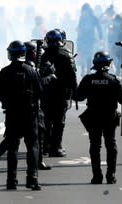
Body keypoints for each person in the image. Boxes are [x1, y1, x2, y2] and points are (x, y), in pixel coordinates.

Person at [0, 41, 52, 170]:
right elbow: (39, 90)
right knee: (33, 138)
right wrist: (49, 76)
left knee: (14, 138)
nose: (36, 54)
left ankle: (7, 169)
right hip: (29, 109)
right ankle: (36, 167)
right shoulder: (29, 68)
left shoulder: (19, 68)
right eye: (34, 51)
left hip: (15, 110)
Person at [0, 41, 42, 190]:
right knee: (33, 146)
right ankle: (32, 179)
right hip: (30, 115)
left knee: (13, 148)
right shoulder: (31, 71)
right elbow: (40, 92)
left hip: (13, 115)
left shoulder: (4, 71)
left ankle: (11, 180)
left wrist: (7, 101)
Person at [76, 51, 122, 184]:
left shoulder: (88, 79)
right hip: (109, 116)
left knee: (94, 145)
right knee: (111, 144)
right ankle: (111, 176)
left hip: (93, 115)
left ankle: (97, 176)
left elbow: (78, 97)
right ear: (108, 64)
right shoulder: (114, 80)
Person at [39, 29, 77, 157]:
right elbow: (72, 76)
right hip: (61, 93)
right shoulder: (66, 54)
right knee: (59, 122)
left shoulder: (43, 55)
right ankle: (55, 148)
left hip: (46, 93)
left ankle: (45, 147)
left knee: (46, 121)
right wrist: (75, 92)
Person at [76, 3, 103, 76]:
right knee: (82, 54)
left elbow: (99, 28)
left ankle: (88, 70)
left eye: (86, 10)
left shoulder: (94, 18)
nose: (84, 12)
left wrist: (101, 38)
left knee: (89, 55)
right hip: (82, 39)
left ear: (89, 10)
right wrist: (78, 32)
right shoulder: (82, 17)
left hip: (90, 39)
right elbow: (79, 27)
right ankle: (82, 70)